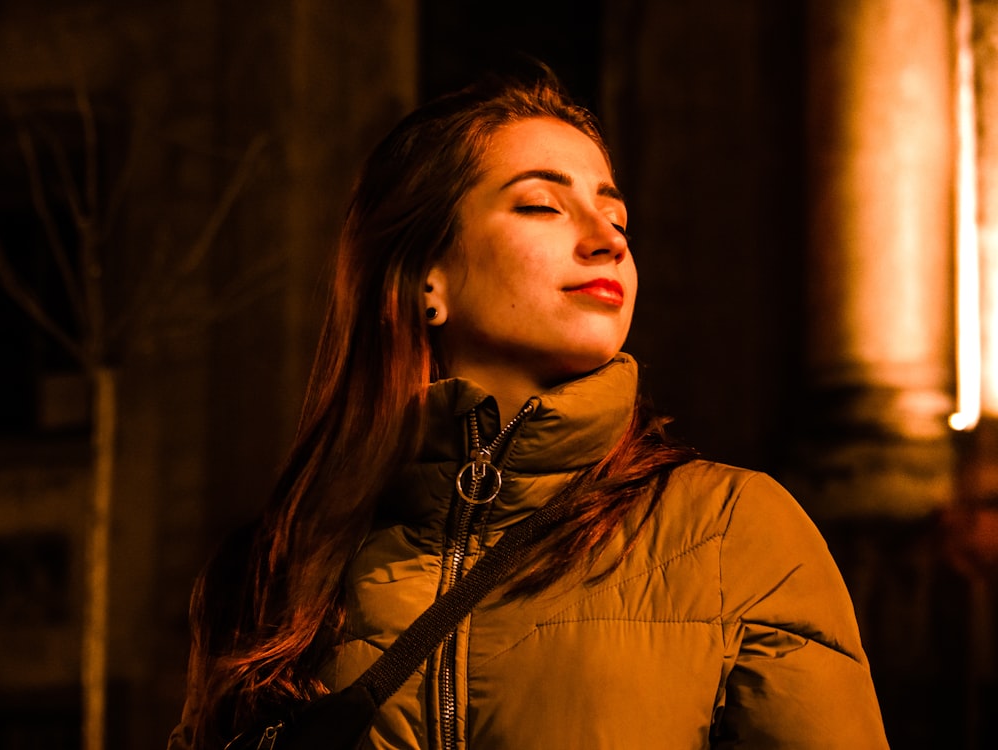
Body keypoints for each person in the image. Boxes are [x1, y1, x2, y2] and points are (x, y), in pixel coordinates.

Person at [168, 67, 890, 749]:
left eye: (617, 217)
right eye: (542, 205)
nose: (607, 239)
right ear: (428, 278)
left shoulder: (733, 532)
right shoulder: (270, 569)